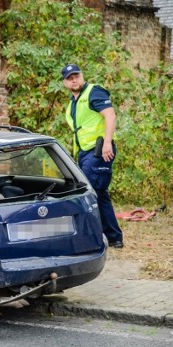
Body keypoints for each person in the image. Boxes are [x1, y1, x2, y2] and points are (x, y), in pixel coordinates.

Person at [62, 64, 123, 248]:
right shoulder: (73, 103)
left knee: (88, 193)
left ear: (82, 76)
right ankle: (113, 237)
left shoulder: (93, 92)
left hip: (98, 151)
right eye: (69, 77)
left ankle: (91, 237)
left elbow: (110, 116)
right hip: (84, 153)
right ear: (64, 82)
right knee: (98, 193)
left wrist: (107, 143)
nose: (74, 79)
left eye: (76, 76)